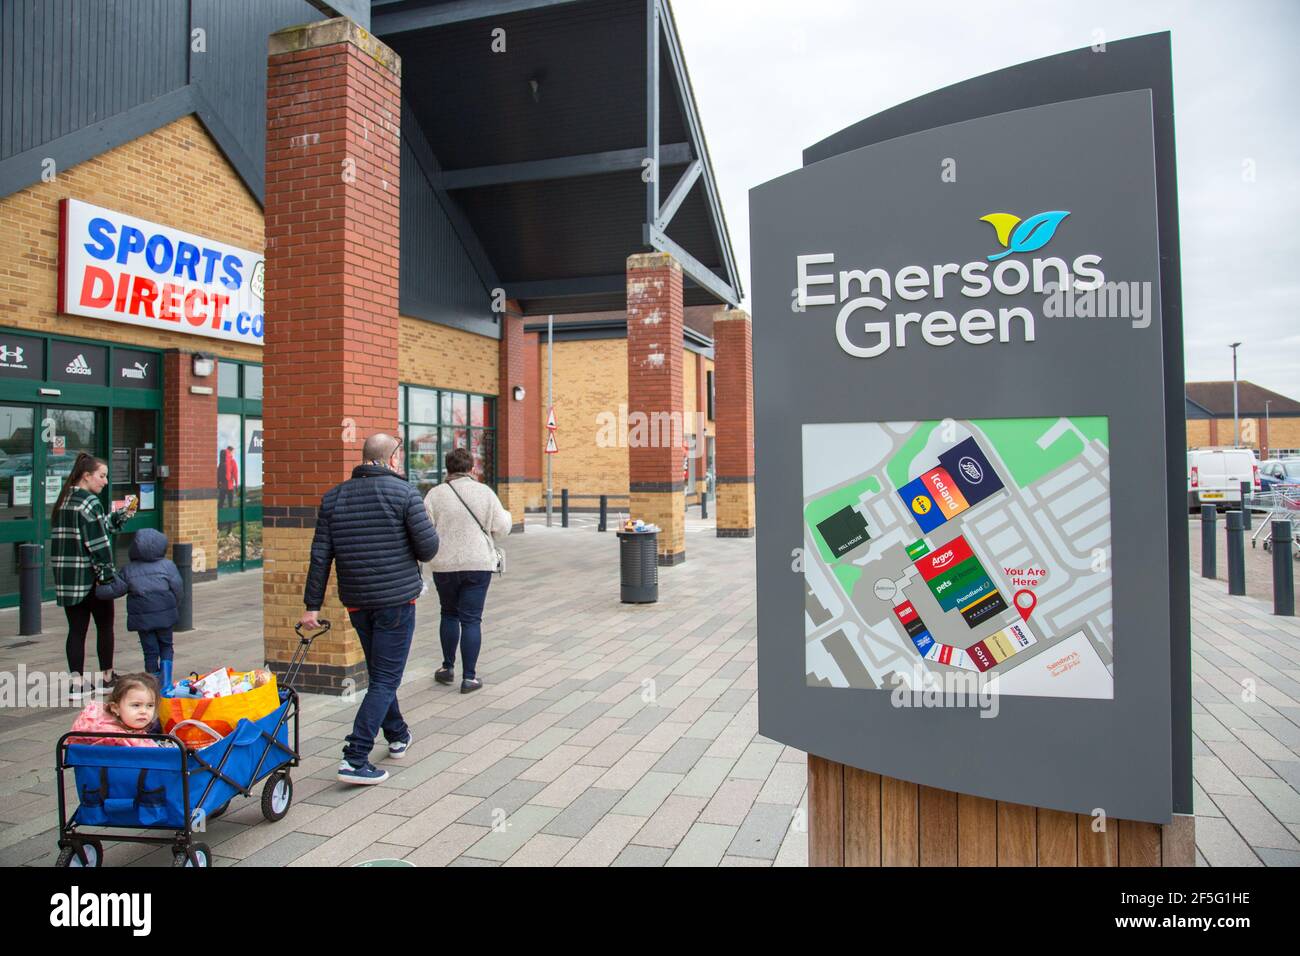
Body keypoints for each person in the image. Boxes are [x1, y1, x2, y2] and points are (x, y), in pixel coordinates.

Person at [299, 434, 439, 785]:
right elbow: (428, 550)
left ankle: (397, 733)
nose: (402, 462)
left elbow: (320, 556)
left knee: (380, 675)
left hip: (358, 601)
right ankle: (355, 755)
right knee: (387, 678)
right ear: (390, 459)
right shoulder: (405, 493)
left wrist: (311, 606)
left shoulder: (333, 498)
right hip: (396, 601)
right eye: (401, 456)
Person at [422, 447, 511, 694]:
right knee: (471, 619)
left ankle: (447, 667)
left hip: (444, 564)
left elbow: (424, 530)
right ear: (472, 468)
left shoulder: (434, 495)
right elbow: (502, 528)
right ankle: (469, 677)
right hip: (478, 564)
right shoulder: (485, 493)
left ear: (448, 469)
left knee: (448, 613)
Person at [51, 452, 137, 697]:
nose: (105, 481)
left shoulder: (64, 500)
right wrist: (108, 576)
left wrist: (119, 517)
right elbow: (98, 545)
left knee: (76, 630)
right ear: (86, 476)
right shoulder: (89, 502)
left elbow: (92, 530)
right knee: (105, 626)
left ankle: (76, 683)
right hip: (91, 578)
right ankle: (107, 677)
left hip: (68, 580)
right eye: (102, 476)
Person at [94, 528, 183, 687]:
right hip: (165, 617)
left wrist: (98, 589)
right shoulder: (168, 566)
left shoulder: (129, 570)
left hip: (143, 620)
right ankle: (167, 682)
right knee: (166, 646)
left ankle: (153, 683)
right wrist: (173, 606)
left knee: (150, 651)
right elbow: (178, 588)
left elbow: (116, 590)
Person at [69, 673, 169, 747]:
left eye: (150, 706)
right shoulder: (118, 738)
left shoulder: (103, 726)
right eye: (136, 705)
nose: (144, 711)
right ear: (115, 708)